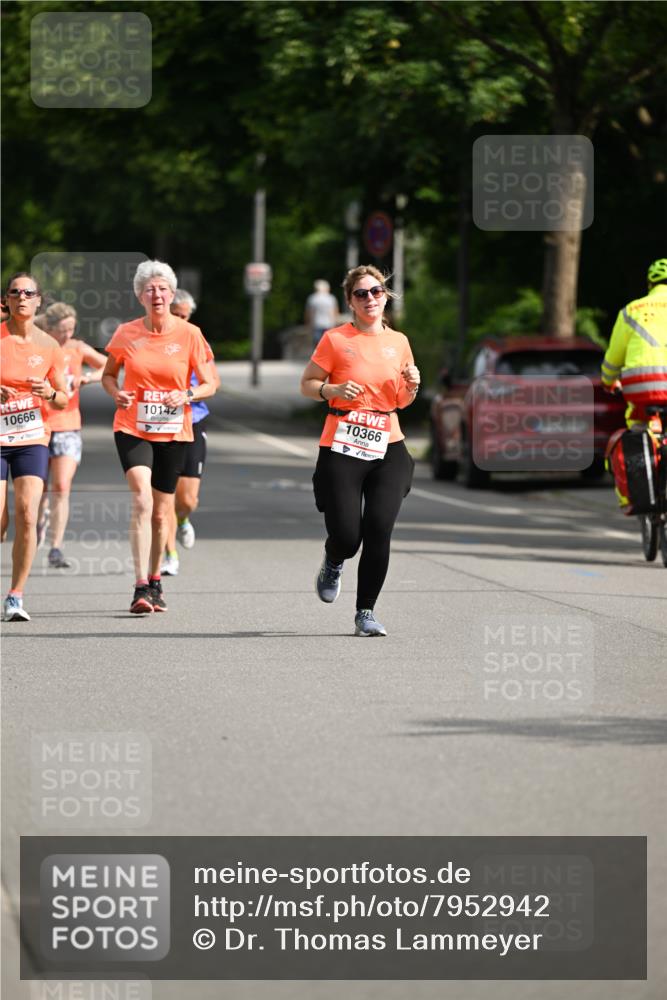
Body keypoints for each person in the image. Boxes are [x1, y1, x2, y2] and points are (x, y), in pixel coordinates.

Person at [300, 265, 420, 637]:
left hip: (388, 443)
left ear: (386, 296)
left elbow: (400, 400)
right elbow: (307, 384)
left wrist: (413, 386)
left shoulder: (399, 341)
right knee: (348, 536)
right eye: (361, 293)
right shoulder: (335, 339)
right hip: (342, 444)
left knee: (380, 528)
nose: (370, 298)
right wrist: (331, 391)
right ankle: (334, 558)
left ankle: (365, 612)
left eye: (376, 291)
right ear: (350, 302)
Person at [101, 261, 217, 615]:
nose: (157, 294)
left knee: (162, 511)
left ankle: (155, 581)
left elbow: (210, 383)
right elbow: (109, 375)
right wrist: (116, 393)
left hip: (174, 429)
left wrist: (187, 395)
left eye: (163, 288)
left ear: (171, 293)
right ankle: (139, 585)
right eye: (150, 289)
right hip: (132, 427)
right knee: (142, 499)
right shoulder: (126, 333)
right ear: (140, 296)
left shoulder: (190, 334)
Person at [1, 272, 68, 621]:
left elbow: (63, 398)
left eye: (28, 293)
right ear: (6, 300)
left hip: (32, 437)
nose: (22, 298)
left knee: (27, 514)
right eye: (15, 293)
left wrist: (50, 392)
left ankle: (15, 595)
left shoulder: (49, 345)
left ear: (39, 300)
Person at [36, 302, 107, 568]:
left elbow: (110, 366)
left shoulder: (77, 348)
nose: (67, 335)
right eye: (62, 330)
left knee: (62, 487)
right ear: (49, 328)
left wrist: (88, 377)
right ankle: (39, 520)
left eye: (71, 329)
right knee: (38, 489)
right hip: (38, 426)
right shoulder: (37, 347)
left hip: (68, 425)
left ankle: (56, 548)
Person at [161, 289, 220, 576]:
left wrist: (187, 394)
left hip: (192, 420)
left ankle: (183, 520)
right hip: (161, 424)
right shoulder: (151, 340)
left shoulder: (196, 338)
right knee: (165, 495)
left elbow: (213, 382)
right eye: (176, 314)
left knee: (187, 500)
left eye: (185, 316)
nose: (181, 320)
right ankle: (169, 554)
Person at [601, 258, 667, 427]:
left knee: (639, 418)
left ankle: (643, 437)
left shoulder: (630, 311)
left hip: (641, 385)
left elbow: (613, 359)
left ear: (650, 285)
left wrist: (608, 381)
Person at [305, 279, 339, 348]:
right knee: (328, 345)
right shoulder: (331, 298)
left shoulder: (313, 298)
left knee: (317, 346)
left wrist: (308, 324)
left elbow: (309, 313)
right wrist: (335, 324)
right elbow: (334, 312)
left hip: (316, 324)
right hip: (329, 324)